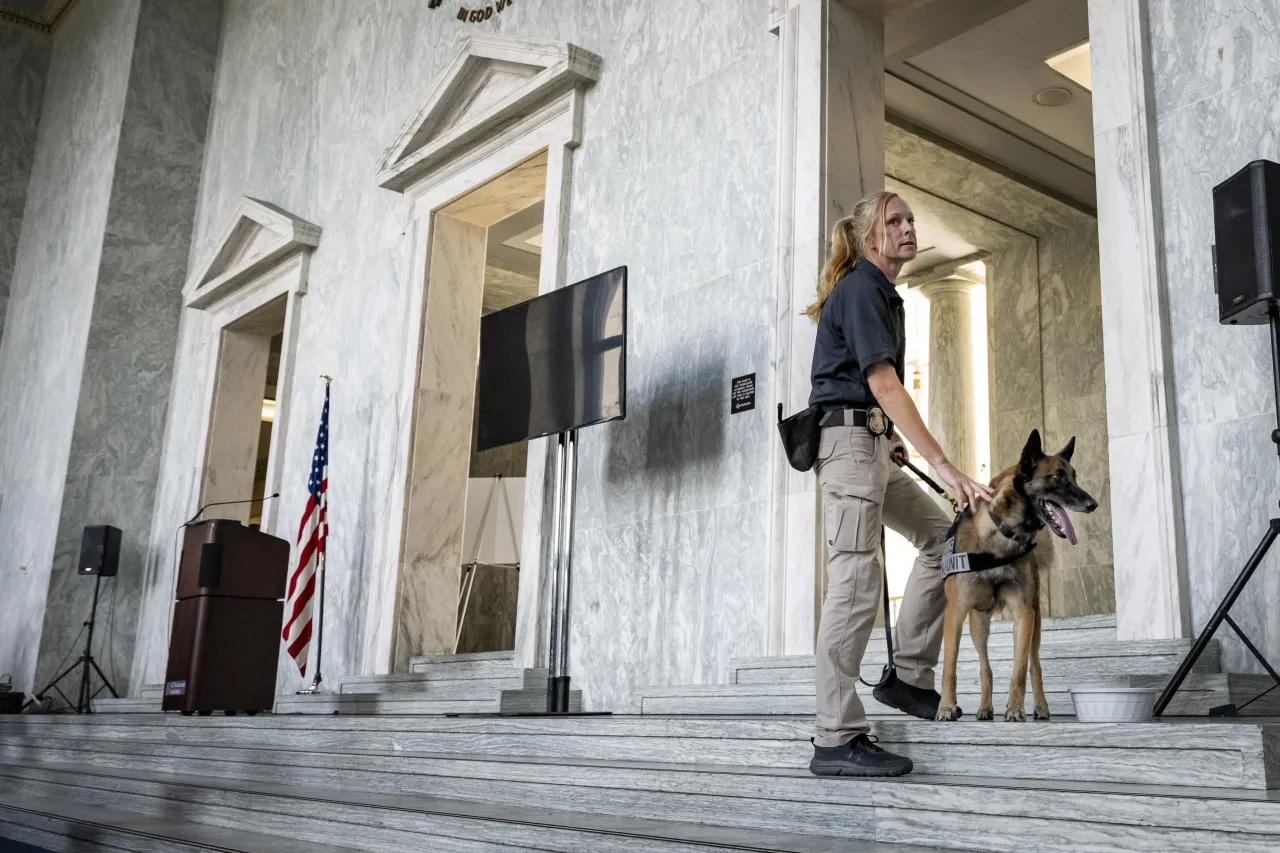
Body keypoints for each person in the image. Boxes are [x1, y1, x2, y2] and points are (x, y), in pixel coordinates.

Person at [806, 190, 994, 778]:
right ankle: (835, 737)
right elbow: (884, 383)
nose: (908, 228)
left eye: (911, 219)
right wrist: (945, 465)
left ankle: (908, 675)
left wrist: (889, 436)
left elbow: (874, 395)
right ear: (869, 238)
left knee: (946, 540)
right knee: (856, 587)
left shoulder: (885, 296)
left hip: (870, 446)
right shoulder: (861, 287)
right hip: (847, 450)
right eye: (895, 221)